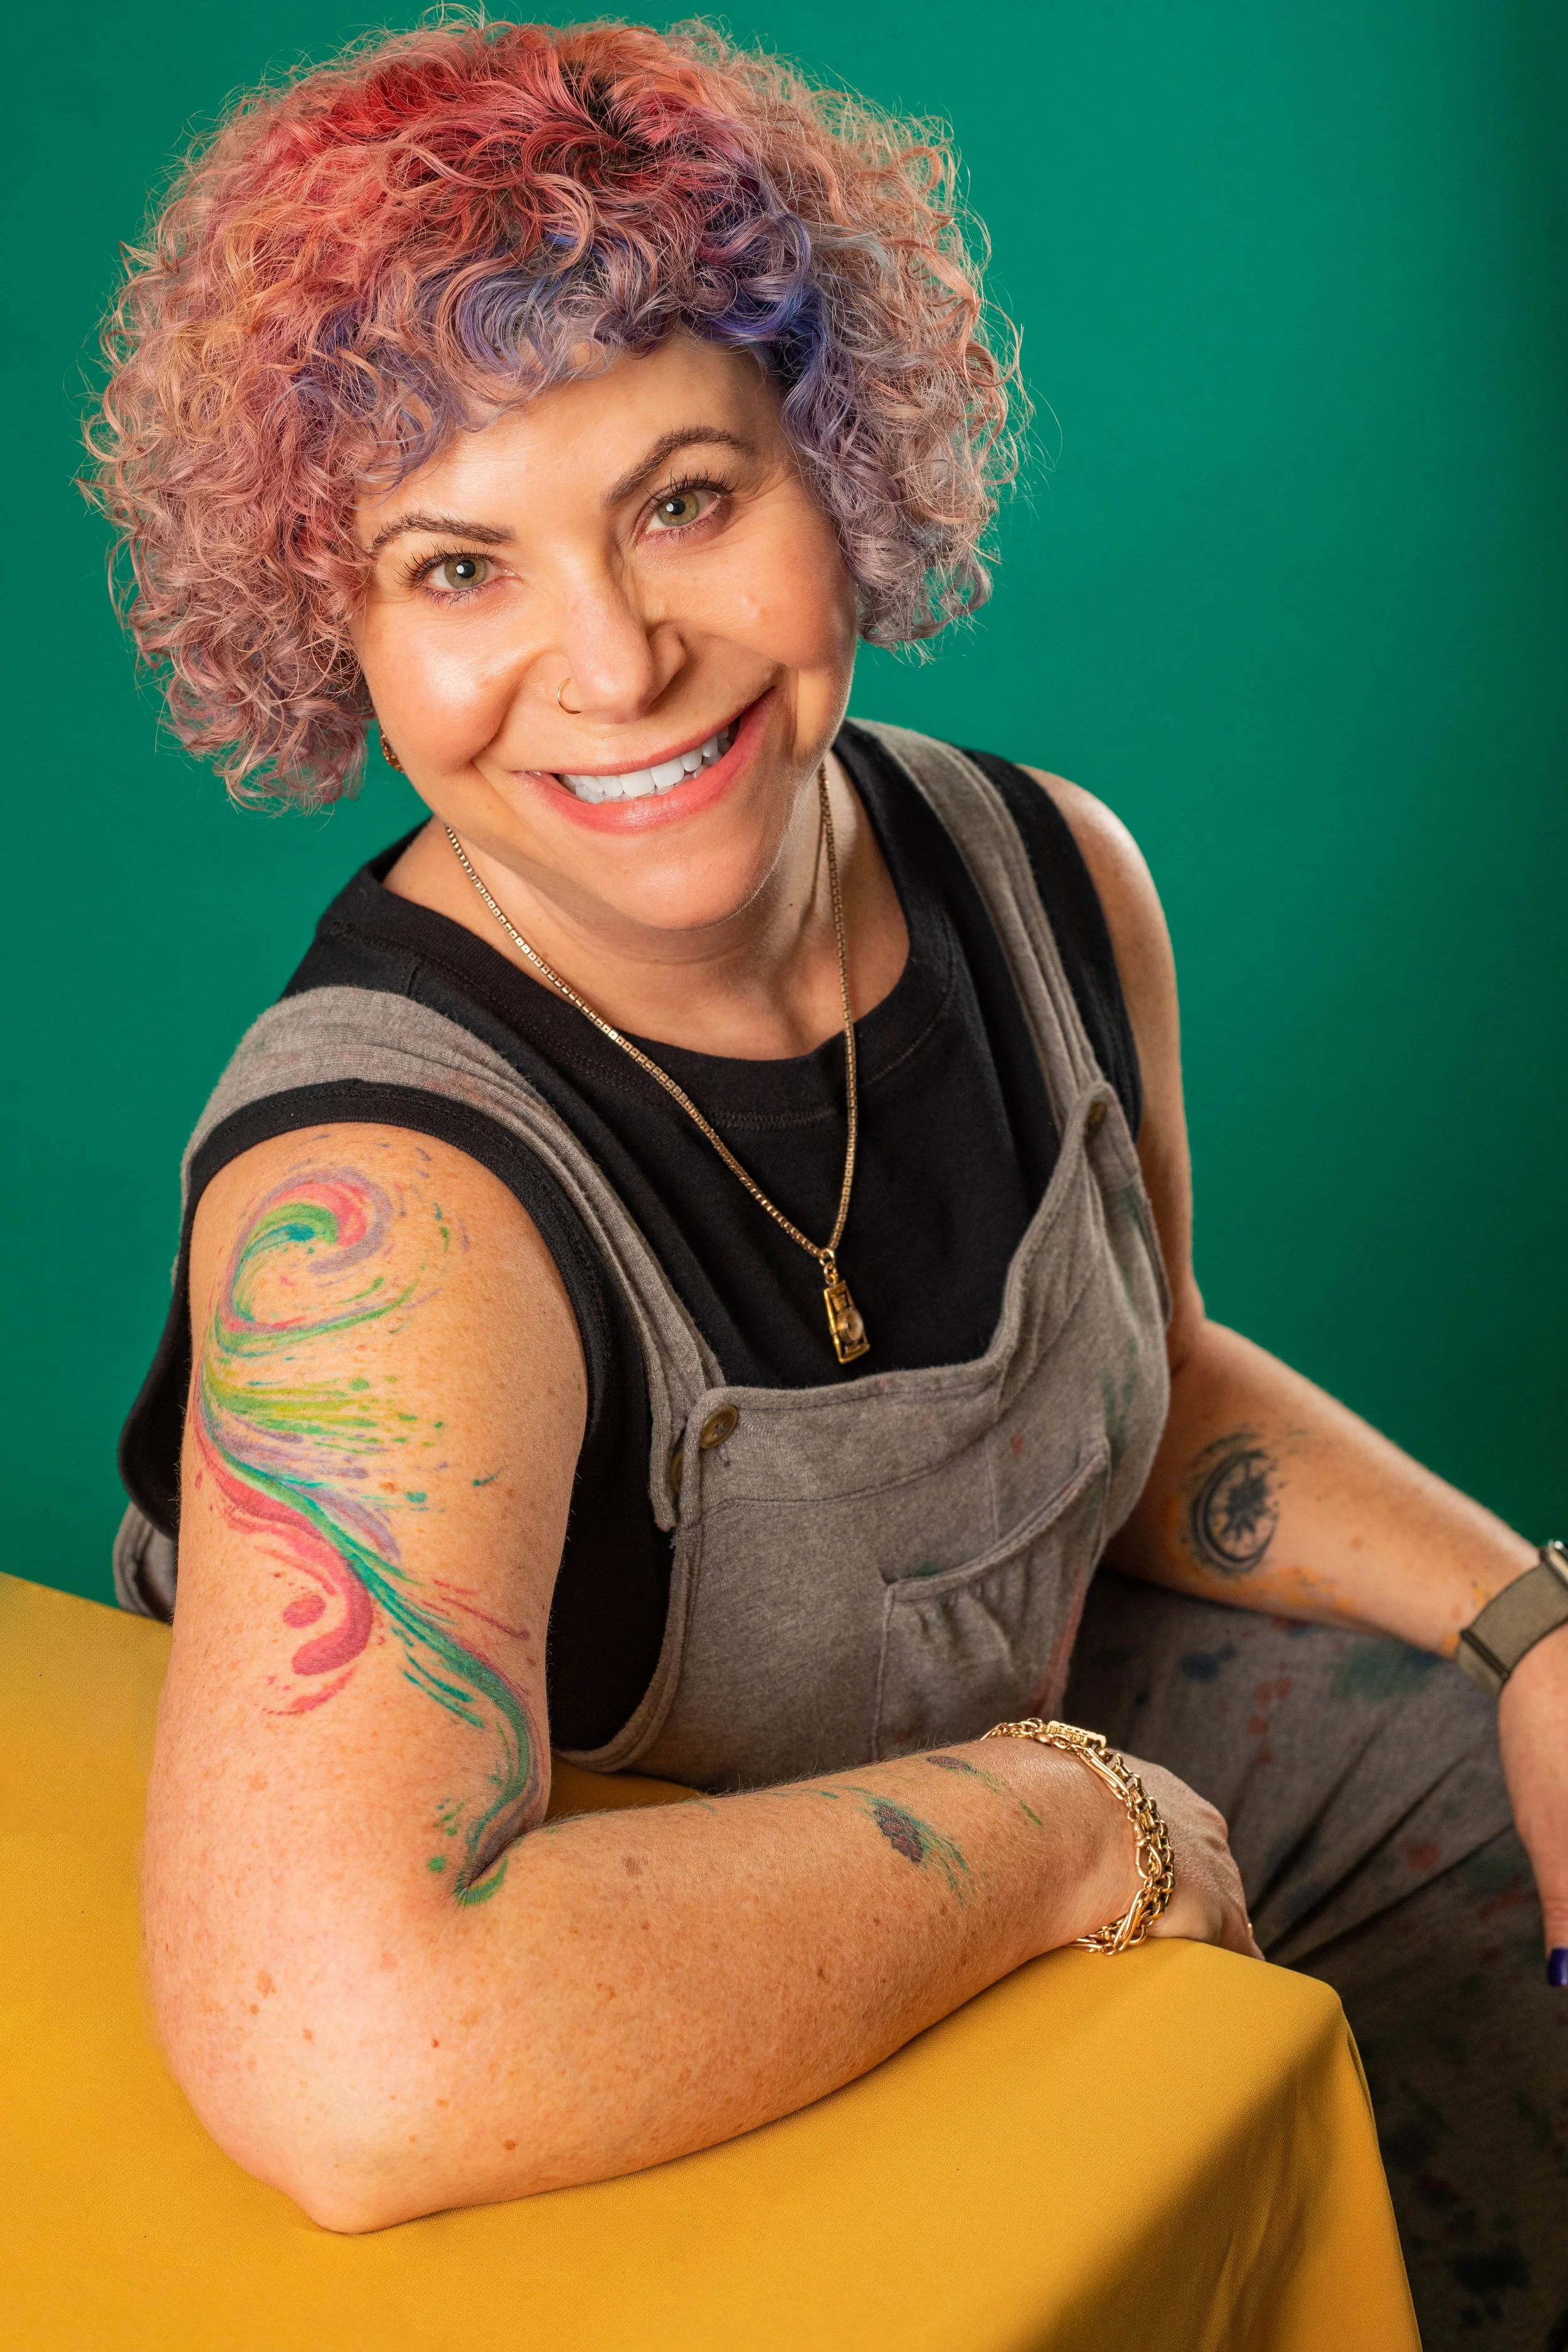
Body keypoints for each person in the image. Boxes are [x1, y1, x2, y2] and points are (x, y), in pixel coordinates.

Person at [92, 18, 1565, 2339]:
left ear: (836, 465)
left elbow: (1141, 1379)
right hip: (621, 2042)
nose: (612, 659)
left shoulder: (1046, 871)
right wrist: (1069, 1817)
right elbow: (349, 2061)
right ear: (330, 626)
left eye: (683, 500)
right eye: (456, 565)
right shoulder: (386, 1208)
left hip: (992, 1767)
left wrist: (1532, 1620)